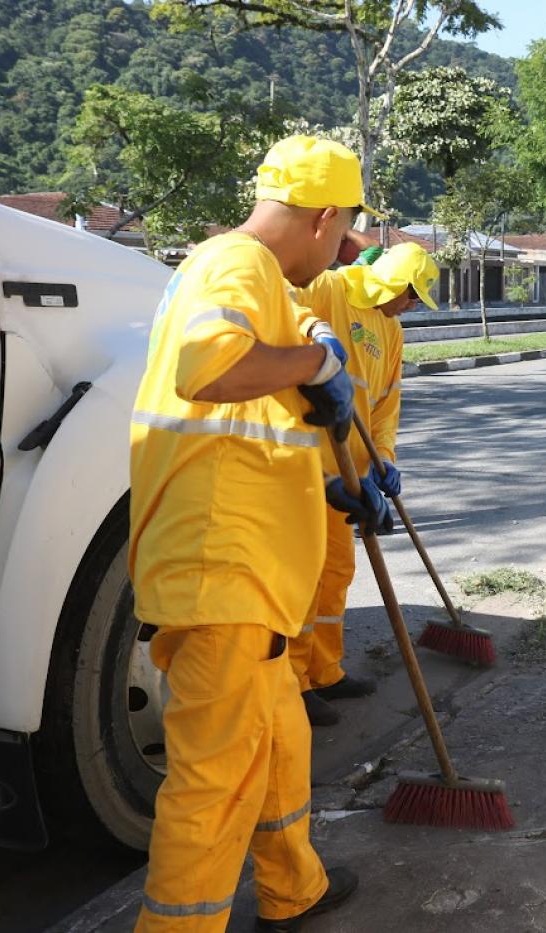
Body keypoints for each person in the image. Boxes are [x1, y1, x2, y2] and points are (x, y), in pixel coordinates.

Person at [128, 135, 390, 931]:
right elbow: (210, 369)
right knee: (211, 786)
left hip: (251, 581)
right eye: (342, 228)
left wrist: (346, 484)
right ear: (321, 215)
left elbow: (252, 424)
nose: (342, 247)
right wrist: (314, 368)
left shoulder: (251, 279)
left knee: (278, 750)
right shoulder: (235, 264)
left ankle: (293, 887)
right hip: (223, 574)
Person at [289, 242, 440, 727]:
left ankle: (325, 669)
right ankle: (293, 684)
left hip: (353, 473)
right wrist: (315, 337)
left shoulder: (391, 330)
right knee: (303, 577)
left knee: (336, 572)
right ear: (395, 282)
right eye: (412, 296)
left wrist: (386, 458)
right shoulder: (331, 288)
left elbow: (387, 402)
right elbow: (281, 307)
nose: (412, 307)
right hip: (307, 463)